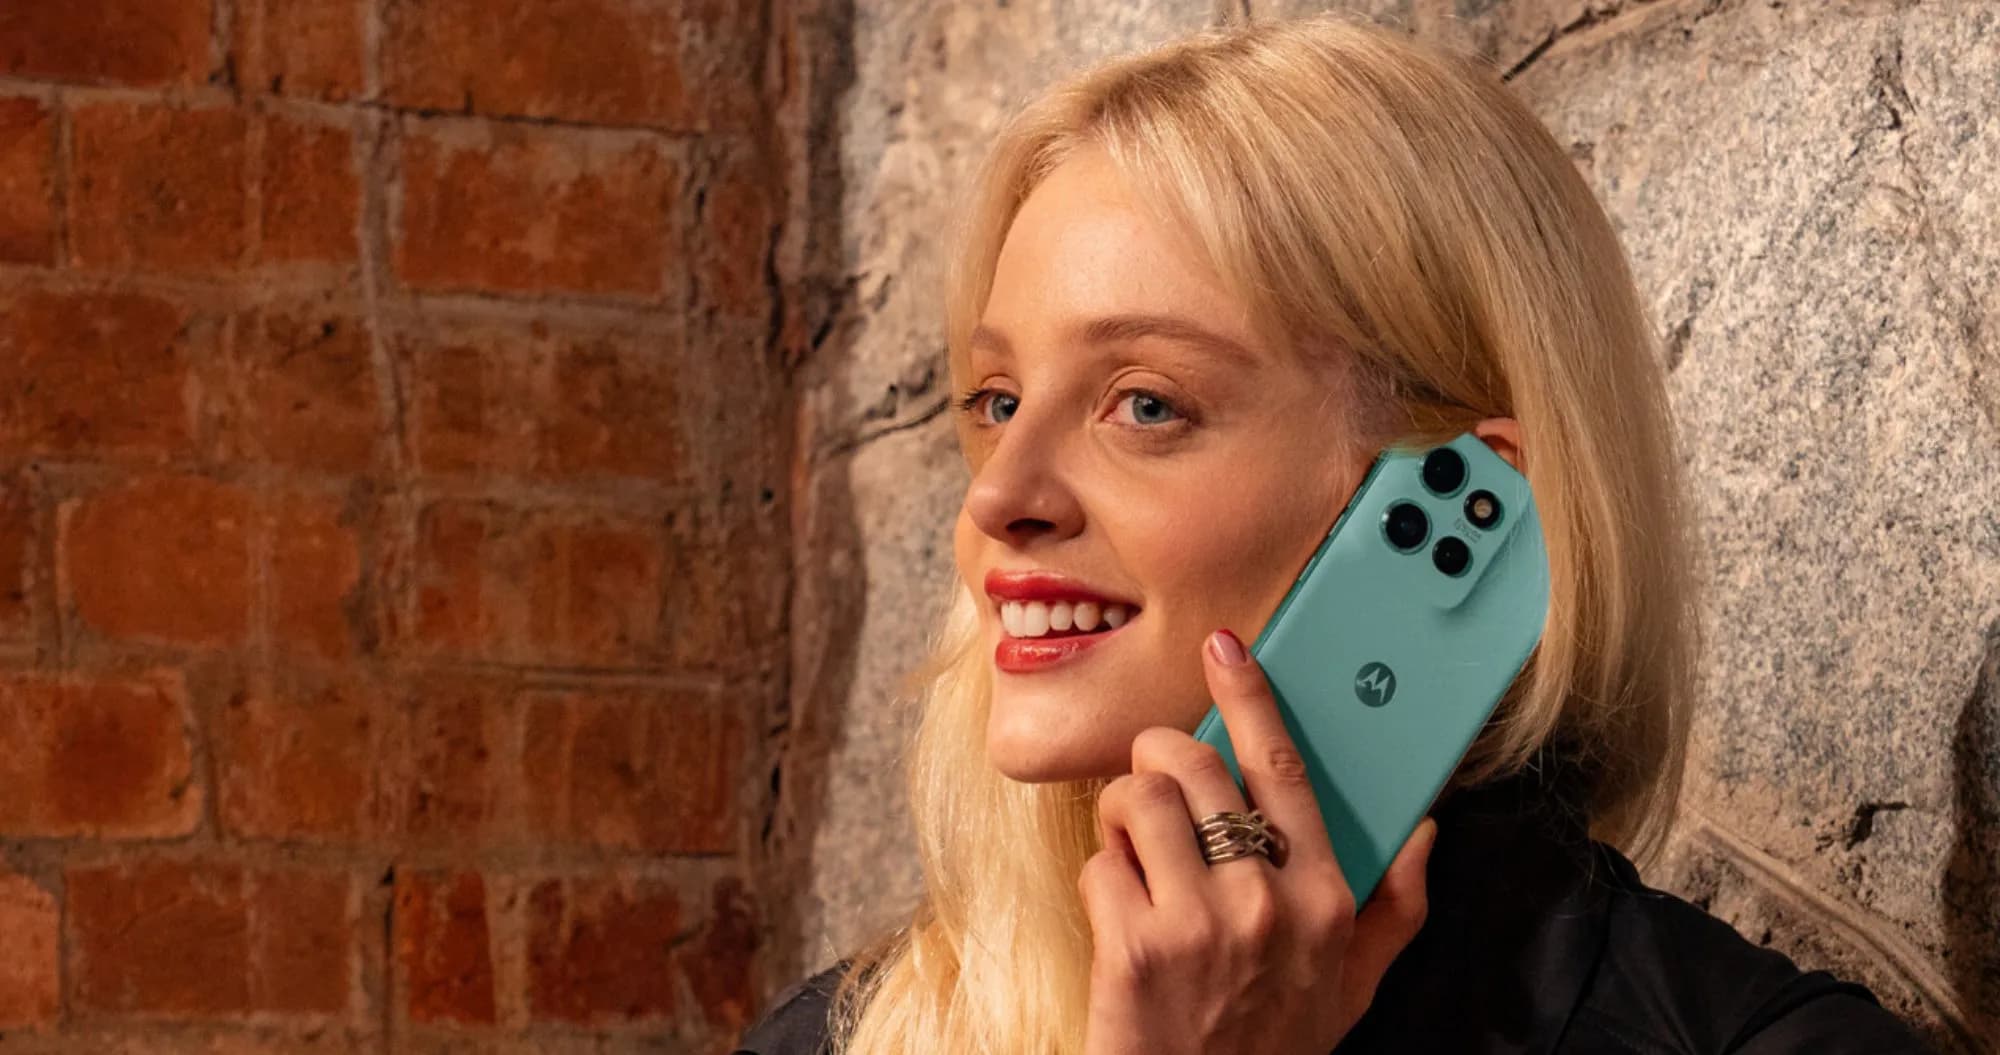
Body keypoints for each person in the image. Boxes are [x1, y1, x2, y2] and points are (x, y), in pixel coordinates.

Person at [736, 12, 1934, 1055]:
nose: (997, 494)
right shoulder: (848, 1032)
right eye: (997, 402)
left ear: (1484, 502)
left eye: (1144, 404)